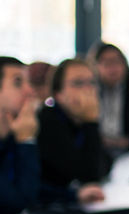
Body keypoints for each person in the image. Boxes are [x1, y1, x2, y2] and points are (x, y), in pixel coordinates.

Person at [0, 56, 104, 214]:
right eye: (18, 83)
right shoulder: (32, 128)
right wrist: (26, 142)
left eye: (28, 82)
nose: (30, 91)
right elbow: (15, 205)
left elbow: (32, 187)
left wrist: (73, 195)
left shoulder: (11, 134)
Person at [37, 58, 113, 189]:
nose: (88, 90)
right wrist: (91, 121)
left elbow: (106, 163)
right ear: (58, 94)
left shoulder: (78, 121)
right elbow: (89, 176)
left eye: (92, 82)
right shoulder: (48, 121)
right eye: (78, 83)